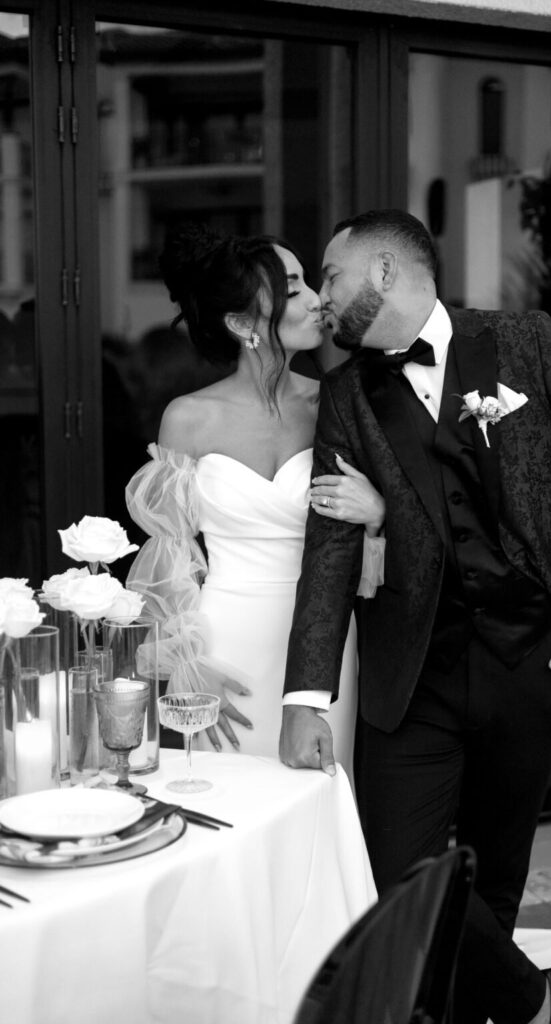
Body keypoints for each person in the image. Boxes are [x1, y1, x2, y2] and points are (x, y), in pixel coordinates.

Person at [279, 209, 551, 1023]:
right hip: (411, 672)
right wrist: (305, 696)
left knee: (494, 871)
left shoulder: (526, 343)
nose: (324, 295)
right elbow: (330, 547)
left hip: (532, 660)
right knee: (395, 869)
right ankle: (530, 1000)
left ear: (382, 273)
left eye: (331, 275)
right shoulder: (347, 394)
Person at [125, 223, 386, 770]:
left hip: (322, 643)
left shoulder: (335, 405)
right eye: (293, 290)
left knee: (318, 791)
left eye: (310, 283)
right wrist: (189, 666)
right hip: (225, 641)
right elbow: (170, 558)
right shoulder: (190, 418)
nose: (319, 301)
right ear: (243, 323)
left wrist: (377, 515)